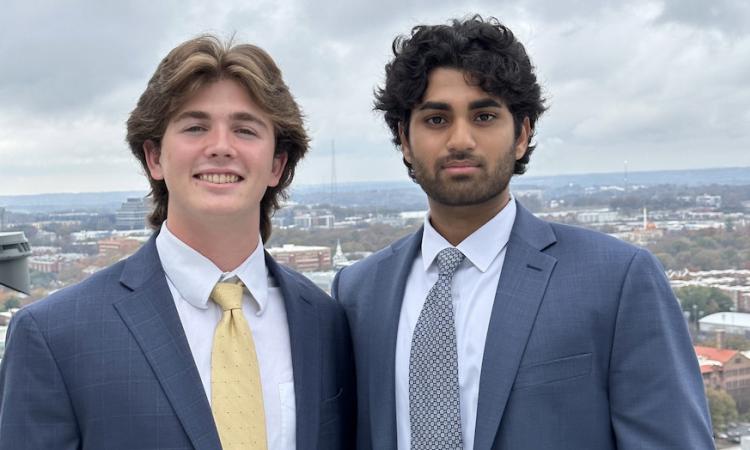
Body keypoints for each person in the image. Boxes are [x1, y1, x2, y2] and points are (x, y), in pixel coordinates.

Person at [333, 15, 713, 450]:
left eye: (484, 116)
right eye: (436, 119)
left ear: (521, 134)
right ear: (404, 138)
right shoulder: (358, 291)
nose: (461, 139)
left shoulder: (618, 280)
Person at [0, 35, 355, 450]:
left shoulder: (327, 323)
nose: (221, 147)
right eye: (195, 127)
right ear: (154, 157)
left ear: (277, 163)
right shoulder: (55, 336)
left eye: (245, 129)